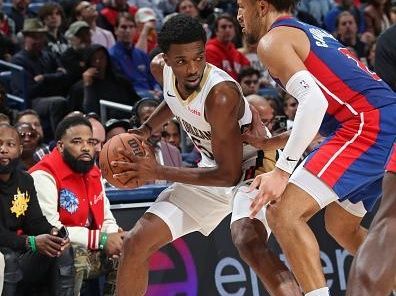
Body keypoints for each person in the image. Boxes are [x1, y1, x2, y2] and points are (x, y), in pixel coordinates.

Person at [114, 15, 301, 296]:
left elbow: (228, 176)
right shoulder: (159, 70)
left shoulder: (220, 95)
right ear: (165, 60)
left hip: (253, 165)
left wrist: (157, 172)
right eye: (181, 61)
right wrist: (145, 129)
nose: (192, 68)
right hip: (213, 166)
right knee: (136, 242)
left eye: (198, 58)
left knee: (248, 240)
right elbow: (173, 98)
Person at [236, 1, 396, 295]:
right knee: (341, 225)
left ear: (260, 6)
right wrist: (270, 143)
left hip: (367, 125)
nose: (237, 15)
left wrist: (282, 172)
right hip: (384, 121)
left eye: (240, 6)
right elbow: (328, 108)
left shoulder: (273, 40)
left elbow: (315, 103)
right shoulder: (310, 32)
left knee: (283, 212)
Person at [29, 116, 123, 296]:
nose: (86, 147)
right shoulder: (43, 175)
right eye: (77, 141)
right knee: (74, 254)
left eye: (91, 141)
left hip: (86, 244)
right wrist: (102, 239)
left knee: (128, 249)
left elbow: (105, 214)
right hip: (44, 252)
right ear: (61, 146)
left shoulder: (92, 170)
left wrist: (112, 235)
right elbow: (52, 229)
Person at [0, 123, 73, 296]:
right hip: (4, 255)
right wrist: (30, 242)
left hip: (17, 251)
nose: (3, 149)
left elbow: (35, 222)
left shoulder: (25, 180)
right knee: (7, 259)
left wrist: (54, 234)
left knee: (60, 251)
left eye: (9, 144)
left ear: (19, 150)